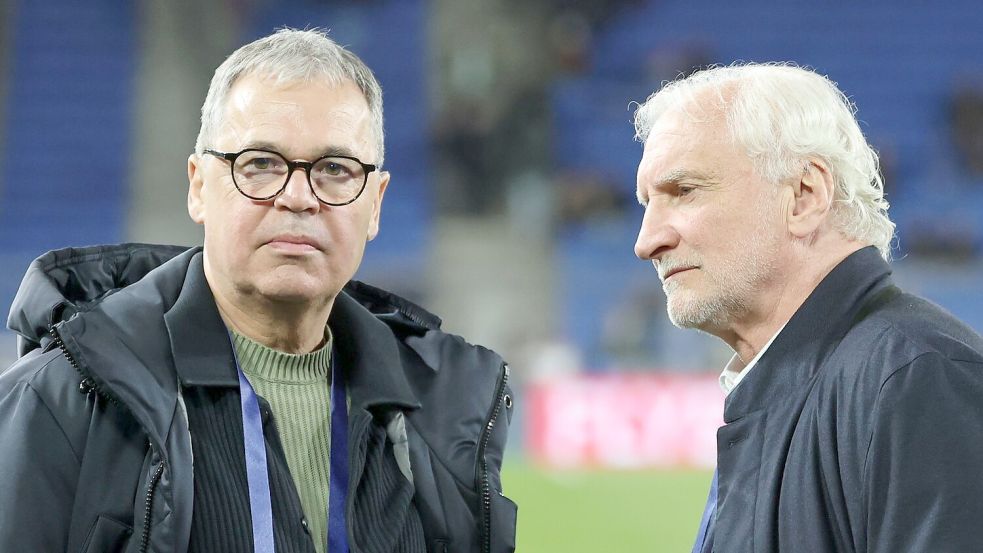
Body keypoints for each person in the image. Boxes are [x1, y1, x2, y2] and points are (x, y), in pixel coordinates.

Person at [0, 28, 516, 553]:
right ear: (199, 186)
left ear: (375, 203)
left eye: (335, 169)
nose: (297, 197)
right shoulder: (60, 399)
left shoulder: (443, 413)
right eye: (261, 163)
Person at [631, 63, 983, 552]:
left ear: (803, 196)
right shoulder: (783, 388)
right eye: (647, 203)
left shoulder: (915, 379)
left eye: (684, 191)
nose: (647, 241)